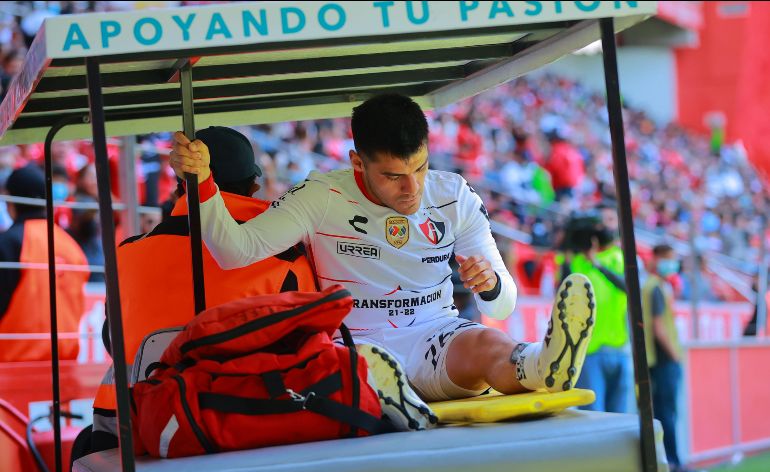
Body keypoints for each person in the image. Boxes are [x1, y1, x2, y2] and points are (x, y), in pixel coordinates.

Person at [170, 94, 596, 431]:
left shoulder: (454, 194)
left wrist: (490, 285)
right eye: (393, 175)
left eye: (420, 168)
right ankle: (391, 401)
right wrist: (202, 183)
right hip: (354, 345)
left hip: (436, 333)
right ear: (358, 162)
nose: (411, 188)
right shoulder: (320, 195)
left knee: (488, 343)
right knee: (364, 365)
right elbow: (235, 250)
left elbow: (501, 306)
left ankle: (543, 365)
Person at [90, 127, 320, 451]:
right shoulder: (285, 259)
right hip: (239, 424)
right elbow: (309, 349)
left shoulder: (125, 253)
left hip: (129, 423)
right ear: (254, 185)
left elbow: (111, 339)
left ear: (179, 186)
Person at [0, 164, 89, 362]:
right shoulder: (70, 244)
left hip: (13, 364)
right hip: (65, 364)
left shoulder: (9, 242)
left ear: (10, 200)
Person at [560, 209, 631, 414]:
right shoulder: (576, 262)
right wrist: (567, 252)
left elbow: (628, 287)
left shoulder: (619, 257)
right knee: (593, 414)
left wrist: (596, 263)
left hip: (619, 348)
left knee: (619, 414)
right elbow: (561, 293)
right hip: (588, 351)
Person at [642, 244, 691, 472]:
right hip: (663, 361)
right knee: (666, 414)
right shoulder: (655, 288)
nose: (672, 264)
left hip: (658, 360)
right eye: (669, 259)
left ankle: (670, 462)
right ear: (657, 258)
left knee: (664, 413)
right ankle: (673, 463)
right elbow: (659, 328)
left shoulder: (656, 286)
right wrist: (674, 355)